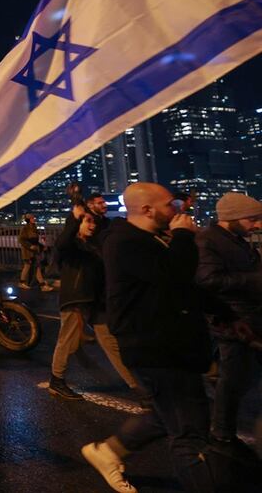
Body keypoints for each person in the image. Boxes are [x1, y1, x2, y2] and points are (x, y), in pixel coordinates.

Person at [82, 183, 222, 493]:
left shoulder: (148, 239)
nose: (177, 209)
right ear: (148, 210)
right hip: (155, 348)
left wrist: (227, 316)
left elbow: (181, 290)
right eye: (170, 204)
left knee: (165, 413)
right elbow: (175, 276)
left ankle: (109, 452)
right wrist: (185, 236)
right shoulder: (126, 242)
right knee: (189, 433)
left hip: (170, 345)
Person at [195, 192, 262, 456]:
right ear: (232, 218)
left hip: (252, 316)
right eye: (252, 219)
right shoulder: (207, 241)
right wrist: (255, 281)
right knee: (232, 380)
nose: (257, 225)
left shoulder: (236, 239)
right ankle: (221, 433)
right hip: (232, 322)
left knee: (237, 378)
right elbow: (208, 280)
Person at [47, 206, 138, 400]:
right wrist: (73, 218)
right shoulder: (72, 246)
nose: (92, 225)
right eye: (87, 221)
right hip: (76, 299)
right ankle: (56, 380)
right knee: (67, 340)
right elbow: (62, 242)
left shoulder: (93, 245)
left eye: (93, 221)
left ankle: (136, 386)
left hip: (96, 301)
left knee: (110, 341)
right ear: (77, 224)